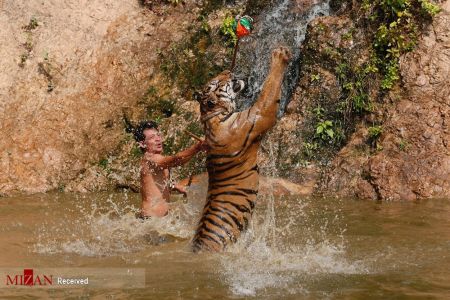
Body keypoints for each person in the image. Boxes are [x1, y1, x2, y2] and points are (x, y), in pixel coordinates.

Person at [133, 121, 207, 218]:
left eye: (158, 135)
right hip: (150, 220)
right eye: (152, 138)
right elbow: (175, 160)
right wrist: (197, 148)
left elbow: (157, 181)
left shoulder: (157, 159)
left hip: (159, 221)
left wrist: (173, 186)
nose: (158, 139)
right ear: (142, 144)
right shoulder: (149, 158)